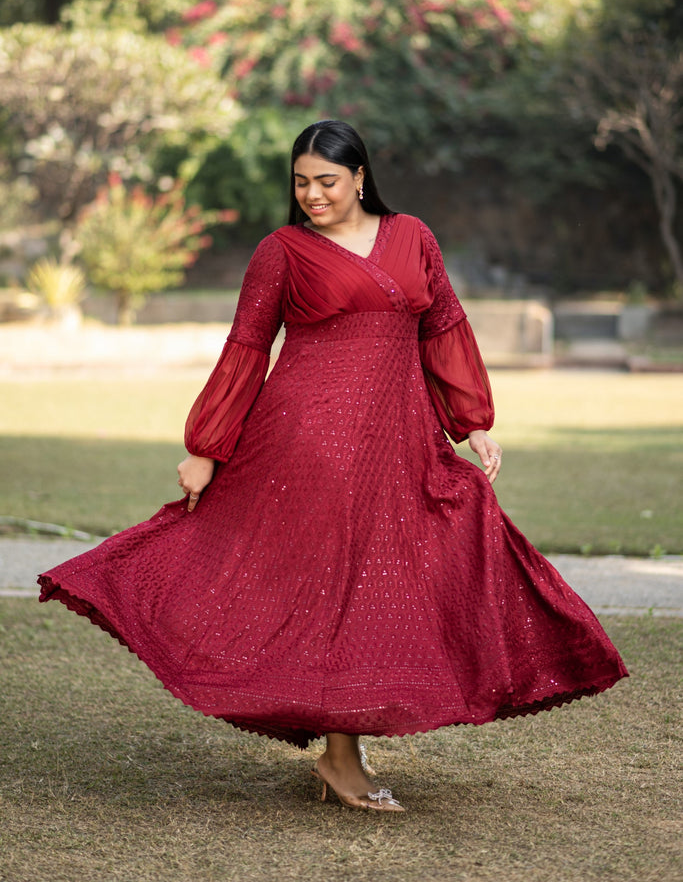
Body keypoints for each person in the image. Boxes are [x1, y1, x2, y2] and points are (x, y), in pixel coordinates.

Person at [39, 120, 627, 814]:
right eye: (300, 182)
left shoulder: (413, 237)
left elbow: (442, 326)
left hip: (397, 440)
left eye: (325, 181)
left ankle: (352, 743)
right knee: (332, 590)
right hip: (305, 440)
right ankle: (342, 757)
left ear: (358, 178)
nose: (311, 194)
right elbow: (246, 349)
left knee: (432, 548)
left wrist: (470, 424)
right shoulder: (281, 251)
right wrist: (204, 445)